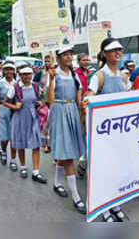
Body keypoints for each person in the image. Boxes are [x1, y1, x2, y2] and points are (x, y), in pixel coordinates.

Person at [85, 38, 131, 222]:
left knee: (116, 169)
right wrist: (87, 101)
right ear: (104, 54)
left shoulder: (124, 76)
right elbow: (90, 97)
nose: (117, 53)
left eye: (119, 50)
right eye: (113, 50)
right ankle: (102, 208)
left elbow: (132, 100)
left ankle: (115, 202)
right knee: (101, 170)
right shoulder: (99, 76)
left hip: (120, 131)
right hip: (102, 133)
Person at [47, 46, 86, 215]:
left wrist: (81, 113)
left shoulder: (75, 74)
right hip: (60, 111)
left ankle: (56, 182)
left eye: (70, 54)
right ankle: (76, 197)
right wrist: (50, 80)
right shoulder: (53, 74)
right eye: (65, 54)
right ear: (58, 57)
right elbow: (49, 100)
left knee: (65, 152)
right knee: (68, 155)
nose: (69, 56)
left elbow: (79, 95)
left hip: (72, 112)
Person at [5, 66, 47, 182]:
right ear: (20, 75)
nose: (27, 76)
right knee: (20, 142)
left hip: (33, 118)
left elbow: (43, 99)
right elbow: (4, 102)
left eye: (29, 74)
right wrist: (15, 106)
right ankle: (23, 167)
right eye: (24, 74)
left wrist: (40, 102)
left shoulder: (36, 86)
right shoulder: (15, 88)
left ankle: (36, 171)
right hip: (19, 118)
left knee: (36, 144)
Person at [0, 61, 18, 170]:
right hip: (3, 111)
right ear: (3, 71)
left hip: (15, 112)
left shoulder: (17, 83)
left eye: (11, 69)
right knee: (4, 137)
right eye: (6, 69)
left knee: (14, 137)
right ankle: (3, 152)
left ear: (14, 71)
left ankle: (13, 159)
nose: (9, 71)